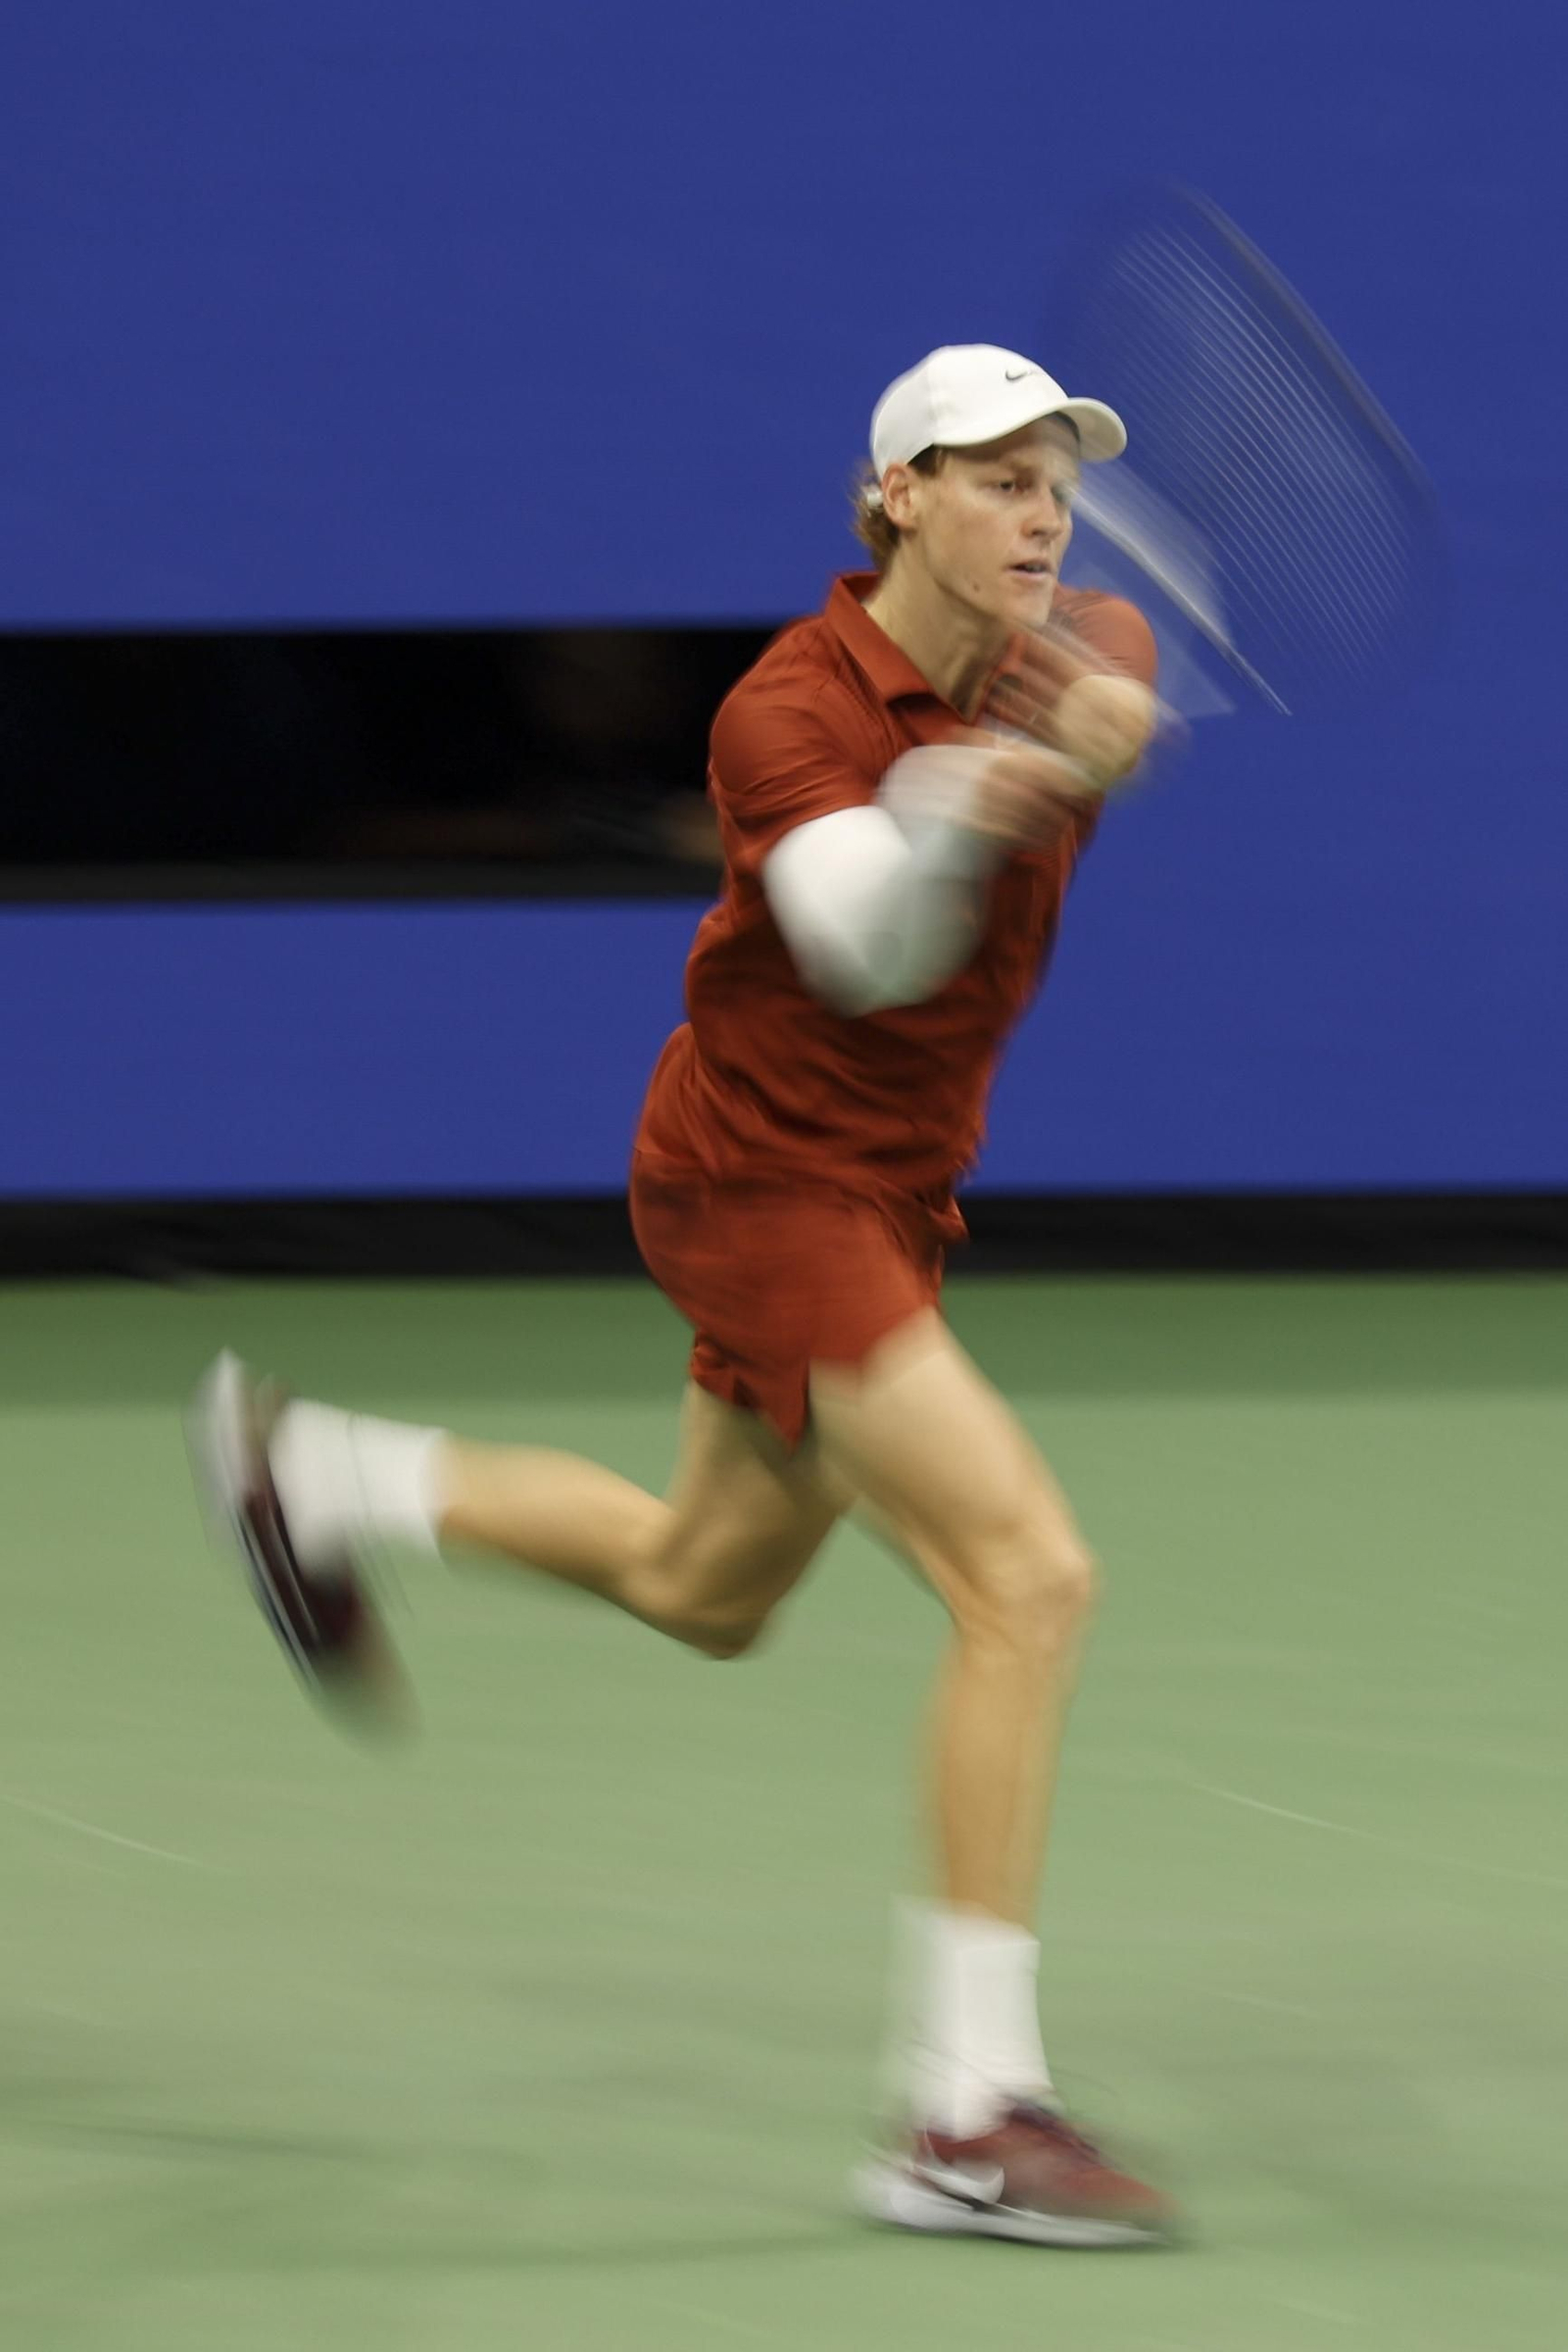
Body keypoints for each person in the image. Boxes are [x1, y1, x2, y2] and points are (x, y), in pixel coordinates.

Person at [190, 344, 1175, 2249]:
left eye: (1053, 473)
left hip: (884, 1191)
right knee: (1024, 1578)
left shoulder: (1093, 639)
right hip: (759, 1181)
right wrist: (998, 794)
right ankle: (964, 2119)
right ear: (892, 498)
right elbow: (862, 952)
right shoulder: (780, 712)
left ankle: (320, 1481)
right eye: (988, 476)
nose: (1039, 509)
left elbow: (1100, 694)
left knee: (700, 1588)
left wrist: (1079, 730)